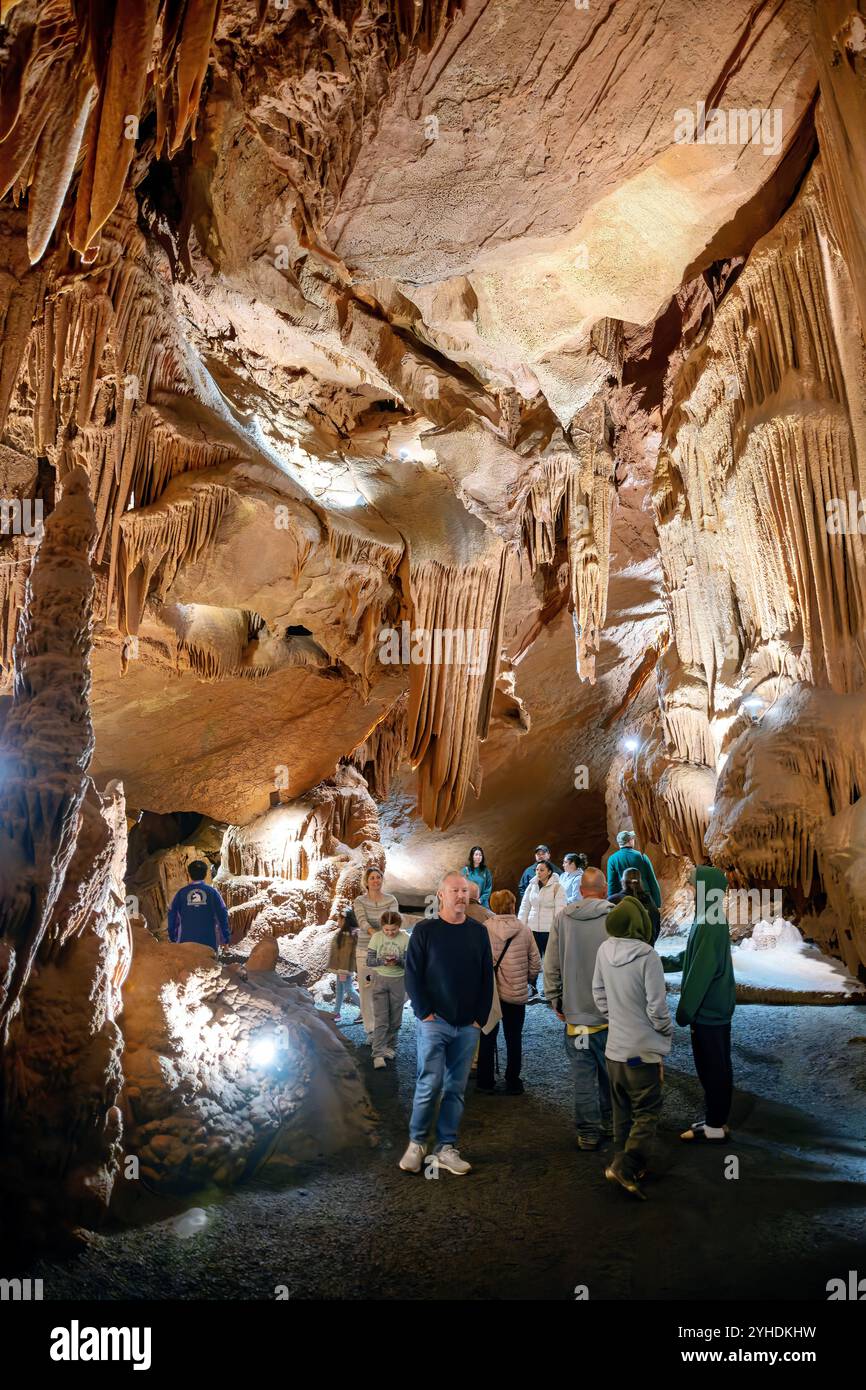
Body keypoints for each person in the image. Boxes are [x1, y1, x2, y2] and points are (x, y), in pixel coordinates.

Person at [401, 871, 493, 1175]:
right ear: (441, 894)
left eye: (464, 891)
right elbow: (413, 974)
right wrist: (424, 1012)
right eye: (455, 890)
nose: (461, 896)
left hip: (467, 1025)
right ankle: (417, 1143)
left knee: (455, 1088)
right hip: (434, 1021)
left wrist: (479, 1018)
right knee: (429, 1084)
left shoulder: (478, 932)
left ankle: (446, 1147)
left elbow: (486, 976)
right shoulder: (425, 931)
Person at [593, 895, 672, 1200]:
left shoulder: (604, 949)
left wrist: (615, 1017)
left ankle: (621, 1162)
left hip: (615, 1049)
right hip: (642, 1051)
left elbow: (598, 992)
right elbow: (656, 1007)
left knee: (622, 1112)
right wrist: (664, 1030)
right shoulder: (648, 956)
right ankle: (627, 1166)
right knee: (647, 1111)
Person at [544, 867, 613, 1150]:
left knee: (583, 1078)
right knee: (611, 1074)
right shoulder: (615, 917)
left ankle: (588, 1133)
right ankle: (611, 1123)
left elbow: (551, 963)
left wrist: (555, 998)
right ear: (605, 890)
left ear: (581, 890)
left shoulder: (563, 918)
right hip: (610, 1017)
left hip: (577, 1017)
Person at [676, 865, 736, 1142]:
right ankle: (715, 1120)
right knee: (715, 1065)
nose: (689, 889)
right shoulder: (708, 917)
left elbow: (701, 971)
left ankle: (714, 1127)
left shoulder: (709, 922)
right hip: (713, 1008)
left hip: (708, 1010)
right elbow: (694, 956)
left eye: (693, 884)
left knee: (713, 1068)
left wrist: (685, 1011)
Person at [477, 890, 540, 1095]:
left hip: (492, 994)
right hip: (515, 993)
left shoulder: (484, 929)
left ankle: (485, 1081)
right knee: (514, 1038)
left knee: (487, 1036)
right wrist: (527, 980)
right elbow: (535, 962)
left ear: (493, 906)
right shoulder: (524, 929)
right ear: (513, 905)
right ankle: (513, 1081)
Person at [353, 866, 399, 1045]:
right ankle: (371, 1030)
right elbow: (362, 921)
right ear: (366, 881)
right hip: (365, 951)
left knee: (386, 990)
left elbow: (393, 919)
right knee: (367, 990)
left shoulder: (391, 900)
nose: (375, 880)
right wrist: (376, 933)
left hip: (387, 951)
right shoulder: (359, 901)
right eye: (372, 877)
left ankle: (385, 1030)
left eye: (378, 877)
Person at [366, 909, 410, 1069]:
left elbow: (410, 963)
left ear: (399, 926)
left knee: (395, 1019)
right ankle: (377, 1054)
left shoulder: (406, 938)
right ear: (382, 927)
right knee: (381, 1019)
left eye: (394, 929)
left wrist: (398, 961)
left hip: (399, 981)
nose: (390, 933)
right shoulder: (376, 937)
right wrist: (382, 961)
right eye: (386, 930)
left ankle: (390, 1047)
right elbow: (369, 961)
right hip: (380, 980)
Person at [518, 858, 565, 997]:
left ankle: (550, 988)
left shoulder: (557, 887)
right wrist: (521, 926)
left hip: (549, 930)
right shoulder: (532, 885)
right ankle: (532, 987)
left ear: (549, 872)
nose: (538, 872)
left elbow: (560, 910)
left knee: (550, 961)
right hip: (532, 929)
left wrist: (557, 929)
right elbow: (525, 906)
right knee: (532, 960)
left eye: (542, 870)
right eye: (537, 870)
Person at [168, 860, 230, 953]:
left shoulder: (181, 893)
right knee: (208, 962)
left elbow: (172, 915)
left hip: (185, 943)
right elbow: (222, 915)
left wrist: (173, 937)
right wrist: (225, 939)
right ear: (205, 874)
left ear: (189, 874)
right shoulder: (213, 893)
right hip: (209, 943)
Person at [606, 830, 661, 909]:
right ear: (630, 841)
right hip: (645, 899)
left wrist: (611, 904)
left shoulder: (612, 859)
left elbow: (612, 884)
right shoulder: (642, 856)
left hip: (625, 901)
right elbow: (652, 880)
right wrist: (657, 904)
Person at [610, 867, 661, 944]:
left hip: (621, 949)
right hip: (647, 948)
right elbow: (656, 928)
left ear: (622, 881)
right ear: (640, 882)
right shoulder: (649, 901)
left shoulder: (613, 900)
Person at [328, 912, 360, 1022]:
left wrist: (343, 969)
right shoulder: (343, 933)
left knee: (349, 989)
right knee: (340, 989)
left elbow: (347, 953)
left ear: (344, 920)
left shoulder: (351, 934)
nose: (338, 921)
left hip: (344, 967)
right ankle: (336, 1012)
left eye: (339, 919)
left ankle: (366, 1011)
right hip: (340, 967)